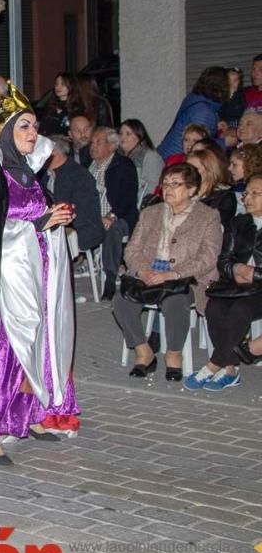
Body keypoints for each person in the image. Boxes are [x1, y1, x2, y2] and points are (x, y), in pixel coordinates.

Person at [0, 83, 80, 466]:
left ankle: (29, 415)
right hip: (6, 280)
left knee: (39, 341)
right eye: (23, 126)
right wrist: (40, 222)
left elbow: (32, 218)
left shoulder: (30, 172)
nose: (32, 134)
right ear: (6, 132)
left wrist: (53, 220)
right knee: (7, 347)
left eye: (35, 126)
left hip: (38, 272)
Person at [111, 164, 221, 381]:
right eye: (166, 184)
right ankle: (144, 352)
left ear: (191, 189)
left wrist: (172, 274)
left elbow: (208, 259)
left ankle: (174, 354)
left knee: (175, 303)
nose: (168, 189)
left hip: (186, 279)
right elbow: (132, 249)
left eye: (176, 184)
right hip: (148, 274)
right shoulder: (151, 212)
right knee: (121, 301)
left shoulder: (207, 217)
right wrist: (143, 270)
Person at [187, 173, 262, 391]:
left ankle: (213, 364)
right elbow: (223, 260)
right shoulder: (238, 223)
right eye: (247, 193)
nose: (247, 198)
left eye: (255, 194)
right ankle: (230, 369)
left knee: (240, 310)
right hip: (236, 284)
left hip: (259, 287)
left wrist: (254, 274)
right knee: (215, 308)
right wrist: (236, 269)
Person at [88, 127, 139, 300]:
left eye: (98, 142)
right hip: (93, 217)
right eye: (92, 142)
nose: (93, 146)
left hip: (120, 216)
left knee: (112, 229)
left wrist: (112, 215)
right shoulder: (90, 165)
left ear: (112, 146)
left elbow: (128, 199)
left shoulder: (123, 165)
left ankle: (110, 277)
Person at [41, 135, 105, 258]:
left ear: (54, 153)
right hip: (60, 223)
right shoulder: (47, 174)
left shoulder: (79, 176)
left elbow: (82, 211)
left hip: (82, 227)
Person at [157, 66, 228, 159]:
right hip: (176, 160)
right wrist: (225, 142)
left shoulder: (195, 98)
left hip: (167, 154)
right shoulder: (204, 111)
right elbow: (199, 146)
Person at [185, 148, 236, 231]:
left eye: (195, 169)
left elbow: (217, 229)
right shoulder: (181, 192)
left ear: (209, 170)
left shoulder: (225, 198)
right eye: (187, 169)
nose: (189, 173)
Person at [118, 119, 164, 199]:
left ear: (139, 136)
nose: (123, 137)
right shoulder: (118, 158)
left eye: (128, 134)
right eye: (120, 133)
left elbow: (153, 188)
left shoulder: (150, 157)